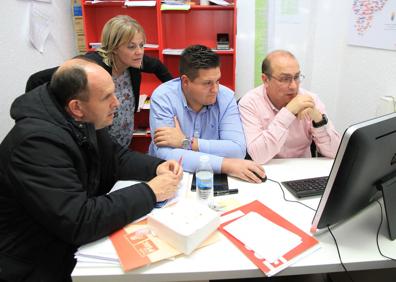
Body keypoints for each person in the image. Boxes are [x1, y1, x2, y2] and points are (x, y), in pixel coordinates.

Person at [0, 57, 182, 281]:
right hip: (35, 262)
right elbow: (79, 220)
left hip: (66, 244)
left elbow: (116, 157)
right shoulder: (35, 144)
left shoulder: (81, 117)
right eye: (107, 97)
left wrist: (157, 166)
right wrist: (151, 192)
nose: (117, 103)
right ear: (76, 107)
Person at [25, 15, 173, 147]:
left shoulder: (133, 61)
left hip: (122, 143)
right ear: (114, 47)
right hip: (96, 146)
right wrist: (41, 122)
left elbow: (158, 67)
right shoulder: (91, 66)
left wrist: (176, 94)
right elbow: (37, 80)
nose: (139, 51)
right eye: (131, 46)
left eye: (141, 45)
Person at [148, 45, 265, 183]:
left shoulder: (226, 97)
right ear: (185, 81)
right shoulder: (163, 97)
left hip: (214, 177)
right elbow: (165, 155)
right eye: (207, 83)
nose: (215, 89)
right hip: (170, 176)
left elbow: (237, 150)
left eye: (218, 81)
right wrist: (226, 165)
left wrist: (187, 142)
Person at [238, 50, 341, 164]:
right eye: (285, 79)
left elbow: (335, 152)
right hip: (267, 171)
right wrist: (288, 113)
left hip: (303, 171)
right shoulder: (249, 103)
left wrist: (318, 120)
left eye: (296, 77)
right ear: (265, 80)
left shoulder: (310, 99)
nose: (293, 86)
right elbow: (259, 156)